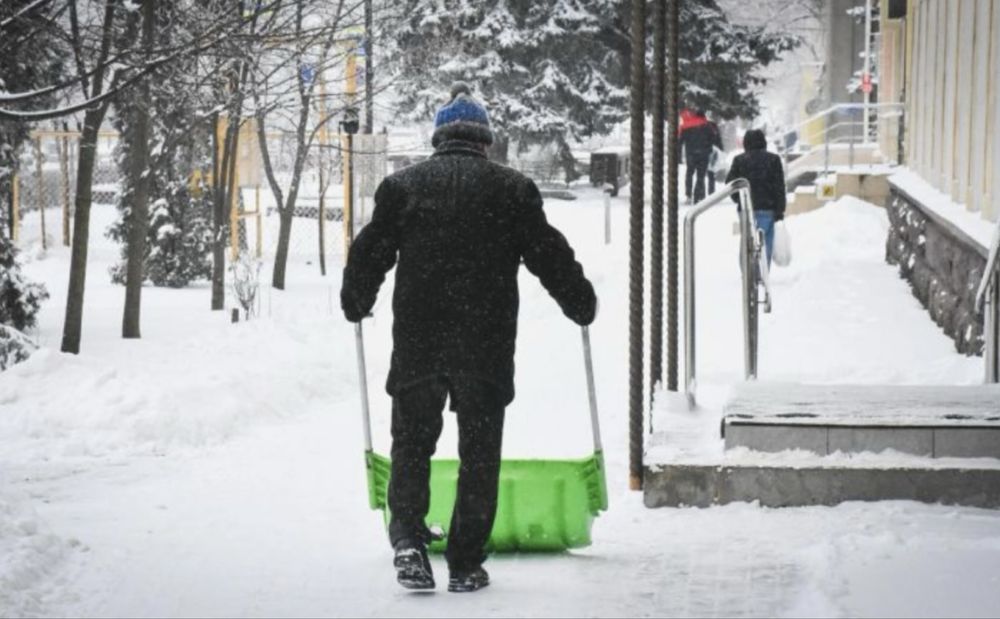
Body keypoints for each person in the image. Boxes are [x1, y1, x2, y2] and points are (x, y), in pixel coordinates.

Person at [340, 83, 597, 593]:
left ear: (439, 139)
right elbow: (548, 251)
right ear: (484, 141)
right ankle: (464, 562)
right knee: (479, 452)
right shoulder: (511, 189)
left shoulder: (404, 187)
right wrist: (578, 300)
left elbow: (371, 250)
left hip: (419, 338)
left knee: (411, 443)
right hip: (484, 340)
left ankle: (409, 540)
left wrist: (357, 297)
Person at [725, 128, 786, 264]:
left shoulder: (739, 160)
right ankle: (763, 271)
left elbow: (730, 184)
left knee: (747, 240)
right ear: (763, 142)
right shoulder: (774, 160)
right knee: (766, 240)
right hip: (767, 207)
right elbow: (779, 186)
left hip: (746, 208)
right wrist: (780, 210)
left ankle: (747, 271)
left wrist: (739, 199)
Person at [679, 107, 722, 204]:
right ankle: (697, 195)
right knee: (700, 176)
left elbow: (681, 140)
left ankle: (688, 195)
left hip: (690, 154)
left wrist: (679, 155)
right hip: (704, 154)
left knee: (689, 174)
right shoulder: (707, 126)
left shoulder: (687, 126)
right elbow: (713, 138)